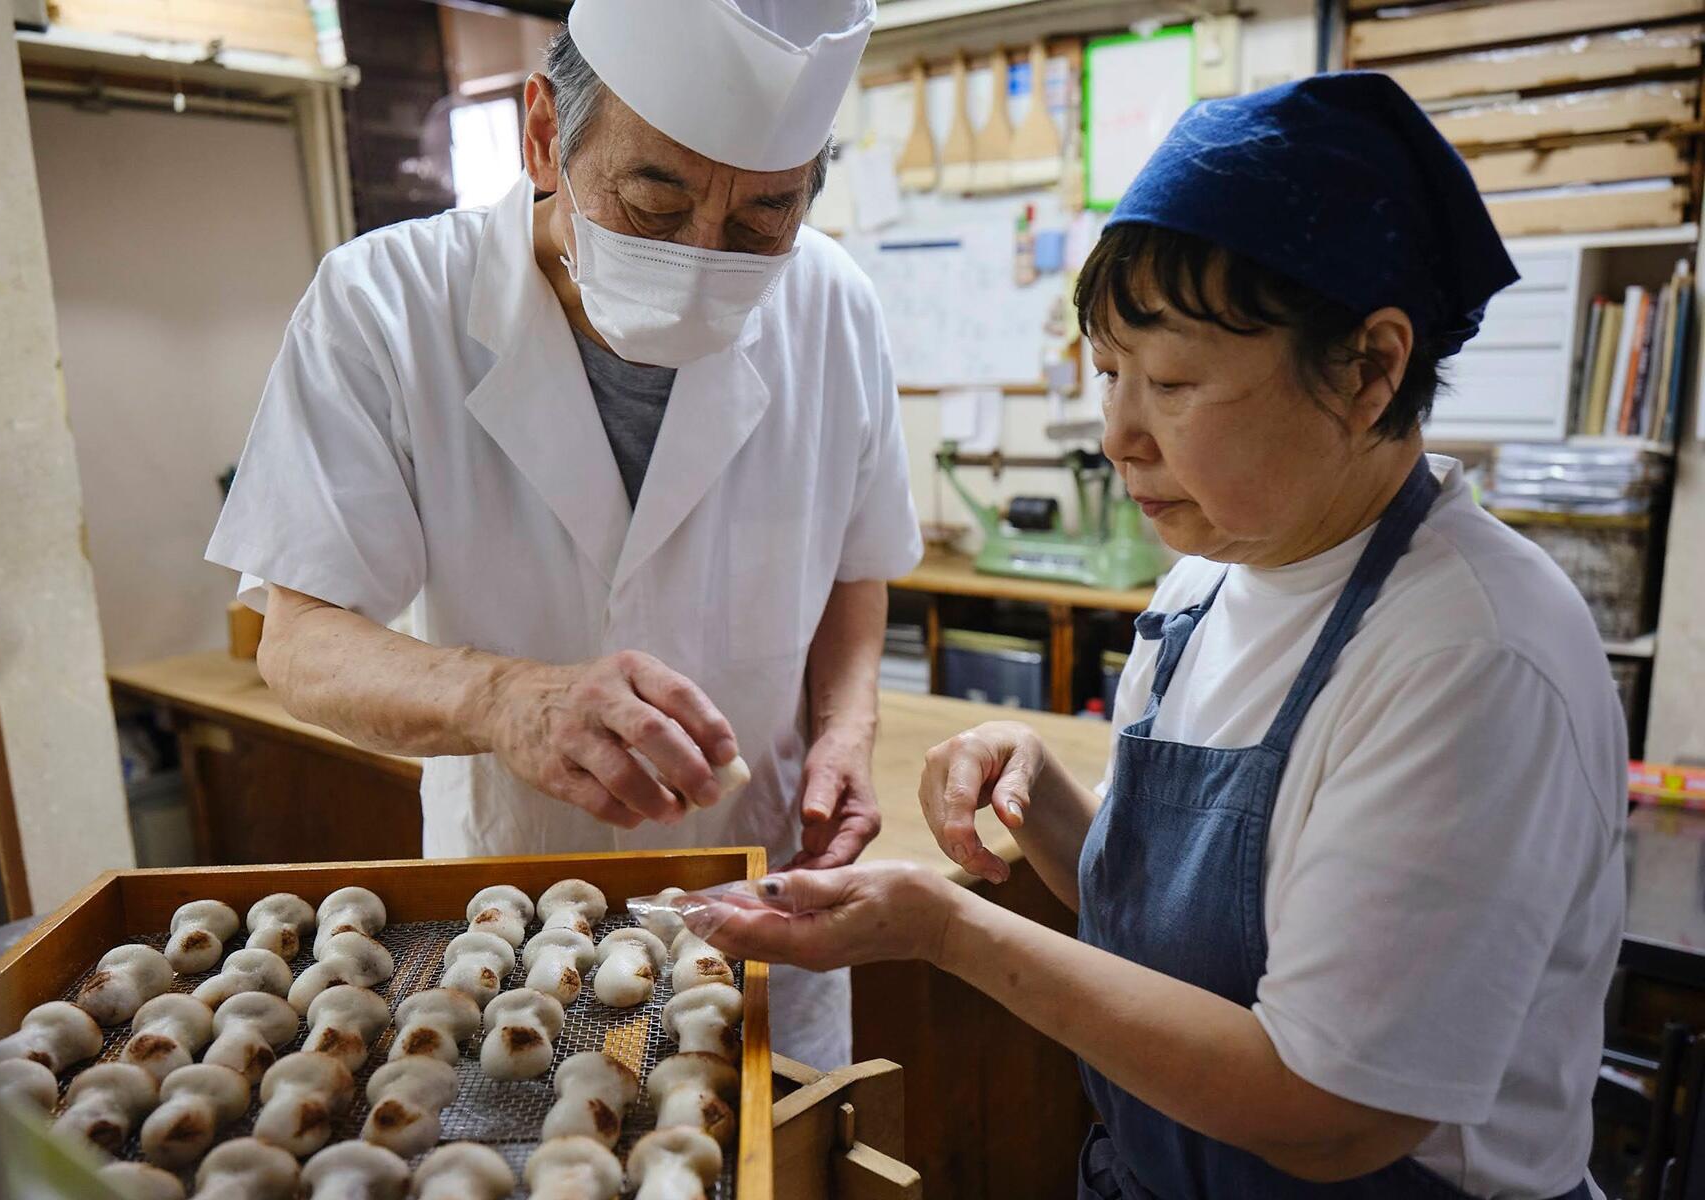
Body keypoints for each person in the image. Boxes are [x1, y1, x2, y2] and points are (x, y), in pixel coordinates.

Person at [686, 73, 1625, 1197]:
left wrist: (948, 931)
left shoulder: (1471, 658)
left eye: (1174, 382)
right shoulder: (1208, 583)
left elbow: (1329, 1112)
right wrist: (1048, 807)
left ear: (1371, 368)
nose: (1119, 434)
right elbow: (1183, 941)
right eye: (1109, 374)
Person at [204, 0, 921, 1068]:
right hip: (514, 917)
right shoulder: (385, 306)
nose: (703, 255)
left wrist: (846, 731)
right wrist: (504, 699)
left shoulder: (833, 307)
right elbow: (299, 640)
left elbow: (857, 570)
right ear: (544, 132)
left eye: (763, 219)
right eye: (654, 199)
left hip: (764, 895)